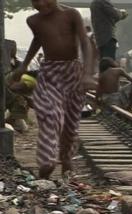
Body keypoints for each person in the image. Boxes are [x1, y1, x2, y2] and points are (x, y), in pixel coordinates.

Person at [12, 0, 95, 179]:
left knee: (71, 123)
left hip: (73, 72)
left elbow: (85, 42)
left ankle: (66, 161)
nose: (41, 4)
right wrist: (23, 65)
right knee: (51, 115)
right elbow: (38, 39)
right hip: (50, 73)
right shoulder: (33, 21)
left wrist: (88, 74)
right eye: (35, 1)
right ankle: (47, 160)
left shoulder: (71, 14)